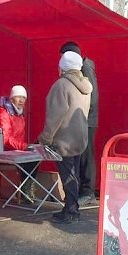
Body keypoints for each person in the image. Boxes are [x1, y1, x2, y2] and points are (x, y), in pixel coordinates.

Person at [38, 50, 92, 224]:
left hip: (64, 139)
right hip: (80, 137)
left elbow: (55, 116)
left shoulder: (61, 85)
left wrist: (45, 138)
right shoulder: (86, 85)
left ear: (63, 66)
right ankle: (71, 207)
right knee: (74, 174)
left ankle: (71, 210)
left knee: (68, 175)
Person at [59, 41, 99, 206]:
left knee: (86, 156)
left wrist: (81, 115)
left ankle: (88, 191)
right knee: (80, 155)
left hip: (86, 120)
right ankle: (82, 190)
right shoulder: (81, 68)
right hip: (81, 119)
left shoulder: (86, 68)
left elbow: (92, 96)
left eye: (62, 57)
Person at [0, 85, 37, 204]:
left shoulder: (19, 114)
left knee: (34, 158)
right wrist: (24, 147)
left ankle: (24, 190)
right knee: (30, 160)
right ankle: (24, 192)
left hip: (12, 151)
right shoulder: (3, 114)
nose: (21, 100)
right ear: (11, 98)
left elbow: (17, 138)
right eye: (18, 97)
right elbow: (5, 139)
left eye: (23, 98)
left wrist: (25, 148)